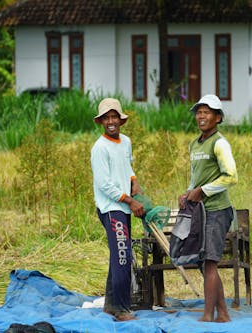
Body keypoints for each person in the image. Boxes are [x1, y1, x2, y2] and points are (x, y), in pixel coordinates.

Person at [178, 94, 238, 322]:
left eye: (207, 112)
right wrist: (187, 193)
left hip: (217, 210)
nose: (201, 116)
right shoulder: (195, 144)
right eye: (199, 112)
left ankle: (207, 315)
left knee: (210, 262)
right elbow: (196, 178)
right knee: (204, 264)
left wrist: (202, 191)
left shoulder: (220, 143)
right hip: (199, 212)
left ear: (218, 117)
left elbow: (231, 177)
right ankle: (222, 313)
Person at [90, 97, 145, 322]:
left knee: (118, 255)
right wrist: (130, 201)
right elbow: (104, 184)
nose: (111, 121)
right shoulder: (99, 148)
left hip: (123, 206)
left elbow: (127, 165)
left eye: (114, 117)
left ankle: (110, 305)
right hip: (112, 208)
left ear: (121, 121)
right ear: (101, 121)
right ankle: (122, 309)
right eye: (106, 118)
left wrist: (134, 181)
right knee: (123, 256)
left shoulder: (126, 141)